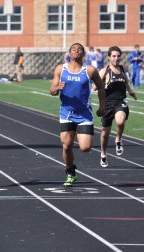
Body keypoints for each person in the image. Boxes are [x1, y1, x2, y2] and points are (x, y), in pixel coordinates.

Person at [50, 43, 105, 187]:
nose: (76, 51)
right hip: (66, 113)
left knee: (85, 148)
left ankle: (71, 167)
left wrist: (103, 106)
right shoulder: (61, 69)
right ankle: (70, 171)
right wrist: (57, 88)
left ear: (83, 54)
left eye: (79, 50)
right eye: (73, 49)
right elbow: (52, 90)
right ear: (69, 53)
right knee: (66, 145)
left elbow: (101, 87)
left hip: (84, 114)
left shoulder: (90, 70)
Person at [96, 46, 137, 167]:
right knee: (105, 133)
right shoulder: (104, 71)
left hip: (120, 101)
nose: (116, 58)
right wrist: (101, 83)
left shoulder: (122, 69)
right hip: (107, 104)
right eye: (114, 56)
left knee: (120, 122)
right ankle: (103, 154)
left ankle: (118, 139)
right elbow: (94, 88)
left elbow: (127, 84)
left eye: (118, 56)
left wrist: (132, 93)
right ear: (109, 57)